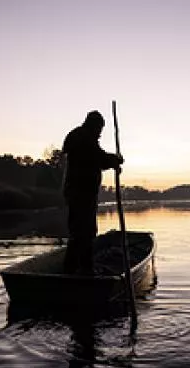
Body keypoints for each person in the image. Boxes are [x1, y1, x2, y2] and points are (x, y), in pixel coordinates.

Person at [62, 110, 123, 275]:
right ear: (93, 125)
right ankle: (84, 270)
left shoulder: (82, 137)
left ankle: (72, 268)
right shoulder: (84, 138)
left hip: (79, 192)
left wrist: (112, 162)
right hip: (81, 193)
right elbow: (100, 158)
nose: (100, 134)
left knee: (79, 231)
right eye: (99, 129)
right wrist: (115, 160)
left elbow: (98, 160)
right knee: (85, 232)